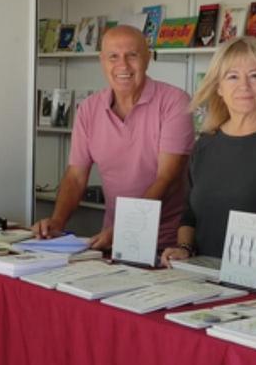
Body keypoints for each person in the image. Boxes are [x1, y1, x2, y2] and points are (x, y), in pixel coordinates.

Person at [160, 38, 256, 279]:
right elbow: (189, 214)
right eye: (232, 76)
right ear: (218, 87)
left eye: (255, 75)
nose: (244, 85)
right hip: (204, 278)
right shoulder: (205, 143)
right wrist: (183, 248)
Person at [32, 25, 194, 250]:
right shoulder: (88, 108)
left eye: (132, 55)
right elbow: (76, 177)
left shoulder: (175, 102)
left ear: (148, 58)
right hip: (111, 239)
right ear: (102, 61)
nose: (123, 65)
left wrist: (125, 229)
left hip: (167, 244)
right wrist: (57, 222)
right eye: (113, 57)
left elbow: (166, 178)